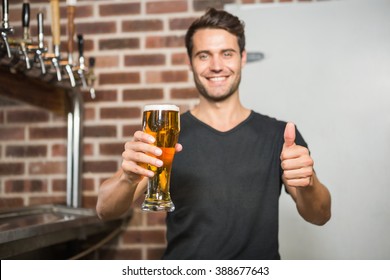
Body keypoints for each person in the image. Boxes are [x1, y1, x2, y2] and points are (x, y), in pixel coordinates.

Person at [96, 8, 331, 260]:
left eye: (226, 54)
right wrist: (128, 179)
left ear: (242, 58)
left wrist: (309, 184)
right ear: (190, 62)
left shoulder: (279, 136)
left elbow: (320, 215)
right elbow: (105, 209)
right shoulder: (166, 135)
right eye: (204, 55)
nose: (216, 66)